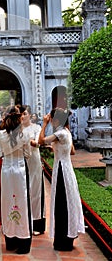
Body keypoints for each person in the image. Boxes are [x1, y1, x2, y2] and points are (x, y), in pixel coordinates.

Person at [38, 107, 85, 251]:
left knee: (61, 204)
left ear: (55, 119)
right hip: (67, 170)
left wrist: (44, 123)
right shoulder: (66, 132)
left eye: (51, 118)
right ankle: (67, 238)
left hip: (62, 171)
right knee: (67, 203)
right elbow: (72, 151)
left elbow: (41, 141)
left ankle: (62, 240)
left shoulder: (59, 133)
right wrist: (57, 149)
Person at [0, 111, 32, 254]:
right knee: (22, 203)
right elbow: (28, 154)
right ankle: (23, 241)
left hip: (6, 171)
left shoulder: (0, 135)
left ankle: (10, 240)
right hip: (20, 170)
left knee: (7, 203)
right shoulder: (25, 134)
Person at [22, 105, 46, 235]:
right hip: (21, 162)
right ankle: (24, 221)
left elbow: (37, 143)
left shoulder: (36, 128)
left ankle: (38, 224)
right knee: (23, 191)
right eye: (21, 114)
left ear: (30, 115)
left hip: (34, 162)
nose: (23, 116)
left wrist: (29, 141)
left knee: (36, 191)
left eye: (25, 113)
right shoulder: (17, 129)